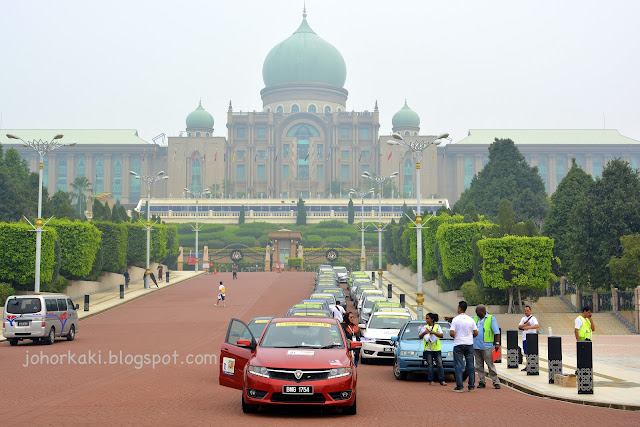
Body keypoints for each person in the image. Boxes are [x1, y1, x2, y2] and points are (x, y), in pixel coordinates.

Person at [450, 301, 478, 392]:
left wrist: (457, 337)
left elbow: (451, 333)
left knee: (458, 365)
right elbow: (476, 332)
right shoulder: (471, 319)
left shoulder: (455, 319)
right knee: (470, 365)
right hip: (469, 344)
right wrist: (471, 337)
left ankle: (460, 386)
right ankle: (471, 386)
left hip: (458, 344)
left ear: (459, 308)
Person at [473, 304, 501, 389]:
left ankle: (496, 382)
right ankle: (482, 381)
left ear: (483, 311)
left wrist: (497, 343)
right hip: (476, 345)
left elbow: (496, 332)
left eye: (478, 311)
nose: (476, 313)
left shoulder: (491, 319)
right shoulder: (474, 318)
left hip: (487, 346)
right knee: (478, 366)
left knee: (490, 365)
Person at [419, 313, 446, 386]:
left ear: (432, 319)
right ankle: (431, 380)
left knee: (440, 365)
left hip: (436, 349)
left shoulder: (437, 326)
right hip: (428, 349)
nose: (426, 320)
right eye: (426, 318)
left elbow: (441, 335)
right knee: (430, 365)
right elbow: (420, 337)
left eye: (428, 318)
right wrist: (424, 333)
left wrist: (433, 332)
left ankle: (442, 380)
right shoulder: (425, 327)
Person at [518, 305, 539, 371]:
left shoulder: (533, 318)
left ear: (530, 311)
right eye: (525, 311)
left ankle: (532, 365)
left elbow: (537, 326)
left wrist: (528, 328)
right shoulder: (523, 319)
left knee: (531, 352)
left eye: (527, 311)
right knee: (526, 352)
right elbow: (519, 326)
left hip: (531, 338)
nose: (526, 312)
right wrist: (526, 325)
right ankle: (527, 365)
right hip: (524, 338)